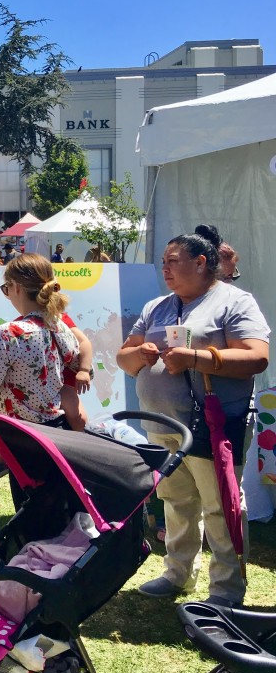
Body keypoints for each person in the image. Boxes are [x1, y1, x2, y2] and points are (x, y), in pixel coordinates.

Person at [118, 224, 269, 608]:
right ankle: (177, 574)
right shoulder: (158, 306)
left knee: (220, 505)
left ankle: (226, 591)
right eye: (163, 262)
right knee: (176, 501)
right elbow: (124, 354)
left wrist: (199, 358)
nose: (165, 269)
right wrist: (140, 355)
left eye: (173, 262)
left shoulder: (234, 301)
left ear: (202, 263)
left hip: (211, 426)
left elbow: (257, 356)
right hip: (163, 424)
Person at [0, 253, 80, 428]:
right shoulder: (59, 326)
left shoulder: (8, 333)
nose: (7, 294)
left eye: (6, 288)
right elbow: (83, 368)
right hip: (57, 429)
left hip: (20, 434)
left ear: (17, 287)